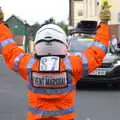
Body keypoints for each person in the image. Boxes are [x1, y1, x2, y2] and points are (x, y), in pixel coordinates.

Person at [0, 1, 111, 120]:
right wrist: (104, 24)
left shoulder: (28, 65)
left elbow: (9, 50)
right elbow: (97, 52)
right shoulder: (73, 65)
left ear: (37, 46)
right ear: (64, 45)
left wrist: (1, 24)